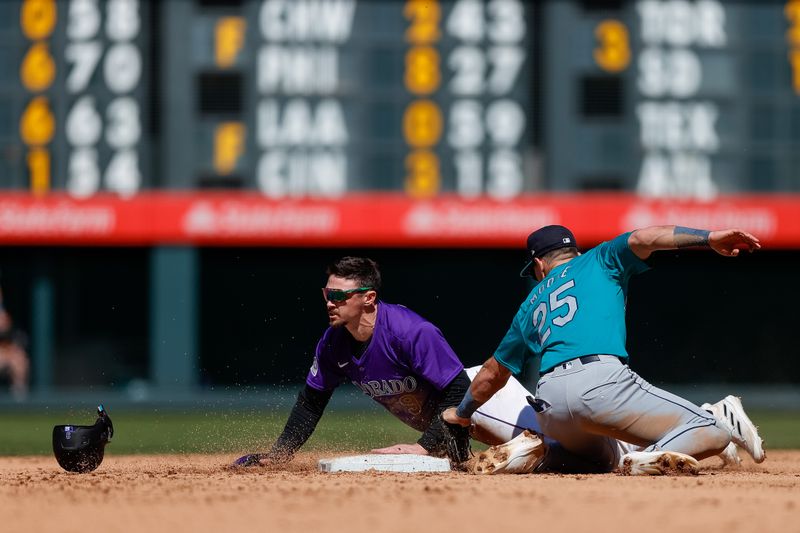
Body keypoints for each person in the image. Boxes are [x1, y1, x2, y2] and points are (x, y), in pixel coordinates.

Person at [233, 256, 745, 474]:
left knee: (586, 457)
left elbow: (458, 395)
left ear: (368, 298)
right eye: (326, 292)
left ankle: (714, 420)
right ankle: (701, 427)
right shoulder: (333, 343)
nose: (328, 301)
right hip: (461, 416)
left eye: (337, 294)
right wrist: (280, 455)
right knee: (567, 455)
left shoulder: (410, 331)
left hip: (480, 397)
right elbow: (310, 402)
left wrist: (423, 448)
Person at [444, 225, 766, 475]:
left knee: (600, 460)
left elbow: (492, 372)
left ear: (540, 265)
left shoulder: (530, 302)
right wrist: (708, 238)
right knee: (713, 431)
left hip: (551, 404)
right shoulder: (598, 259)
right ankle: (654, 453)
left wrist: (461, 414)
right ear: (574, 251)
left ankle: (536, 454)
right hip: (601, 384)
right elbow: (645, 237)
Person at [0, 289, 30, 401]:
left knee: (19, 359)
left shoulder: (2, 310)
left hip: (3, 352)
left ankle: (19, 403)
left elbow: (7, 329)